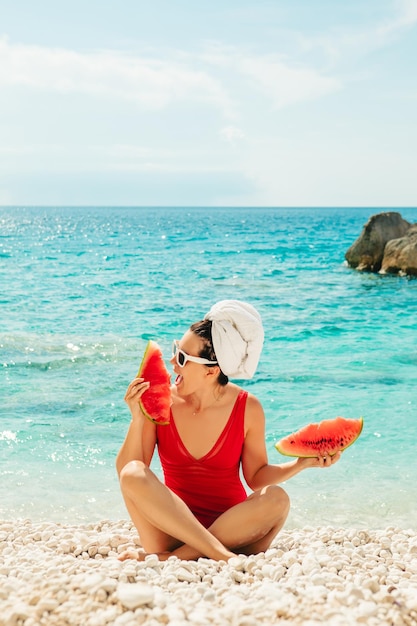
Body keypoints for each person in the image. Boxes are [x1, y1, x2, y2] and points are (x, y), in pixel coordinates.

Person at [116, 300, 340, 562]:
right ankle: (212, 554)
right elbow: (128, 471)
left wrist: (300, 464)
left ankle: (176, 557)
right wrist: (138, 418)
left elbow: (256, 478)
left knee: (277, 498)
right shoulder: (163, 402)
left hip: (233, 530)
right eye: (176, 350)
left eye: (182, 358)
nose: (171, 362)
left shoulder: (248, 408)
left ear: (211, 371)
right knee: (132, 473)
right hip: (171, 528)